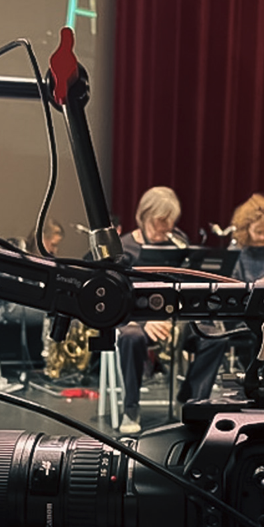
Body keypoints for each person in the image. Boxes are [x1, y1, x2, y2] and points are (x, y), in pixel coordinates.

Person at [179, 193, 264, 402]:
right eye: (259, 232)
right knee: (217, 338)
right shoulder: (236, 252)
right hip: (243, 315)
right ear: (246, 229)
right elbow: (231, 293)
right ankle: (201, 397)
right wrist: (261, 285)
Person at [116, 186, 187, 434]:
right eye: (160, 221)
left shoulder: (179, 242)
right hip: (136, 320)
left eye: (170, 221)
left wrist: (173, 319)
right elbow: (117, 298)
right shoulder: (124, 248)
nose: (166, 228)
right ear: (144, 215)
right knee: (131, 337)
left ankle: (190, 401)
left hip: (174, 318)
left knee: (213, 336)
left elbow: (186, 286)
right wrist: (145, 323)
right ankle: (131, 408)